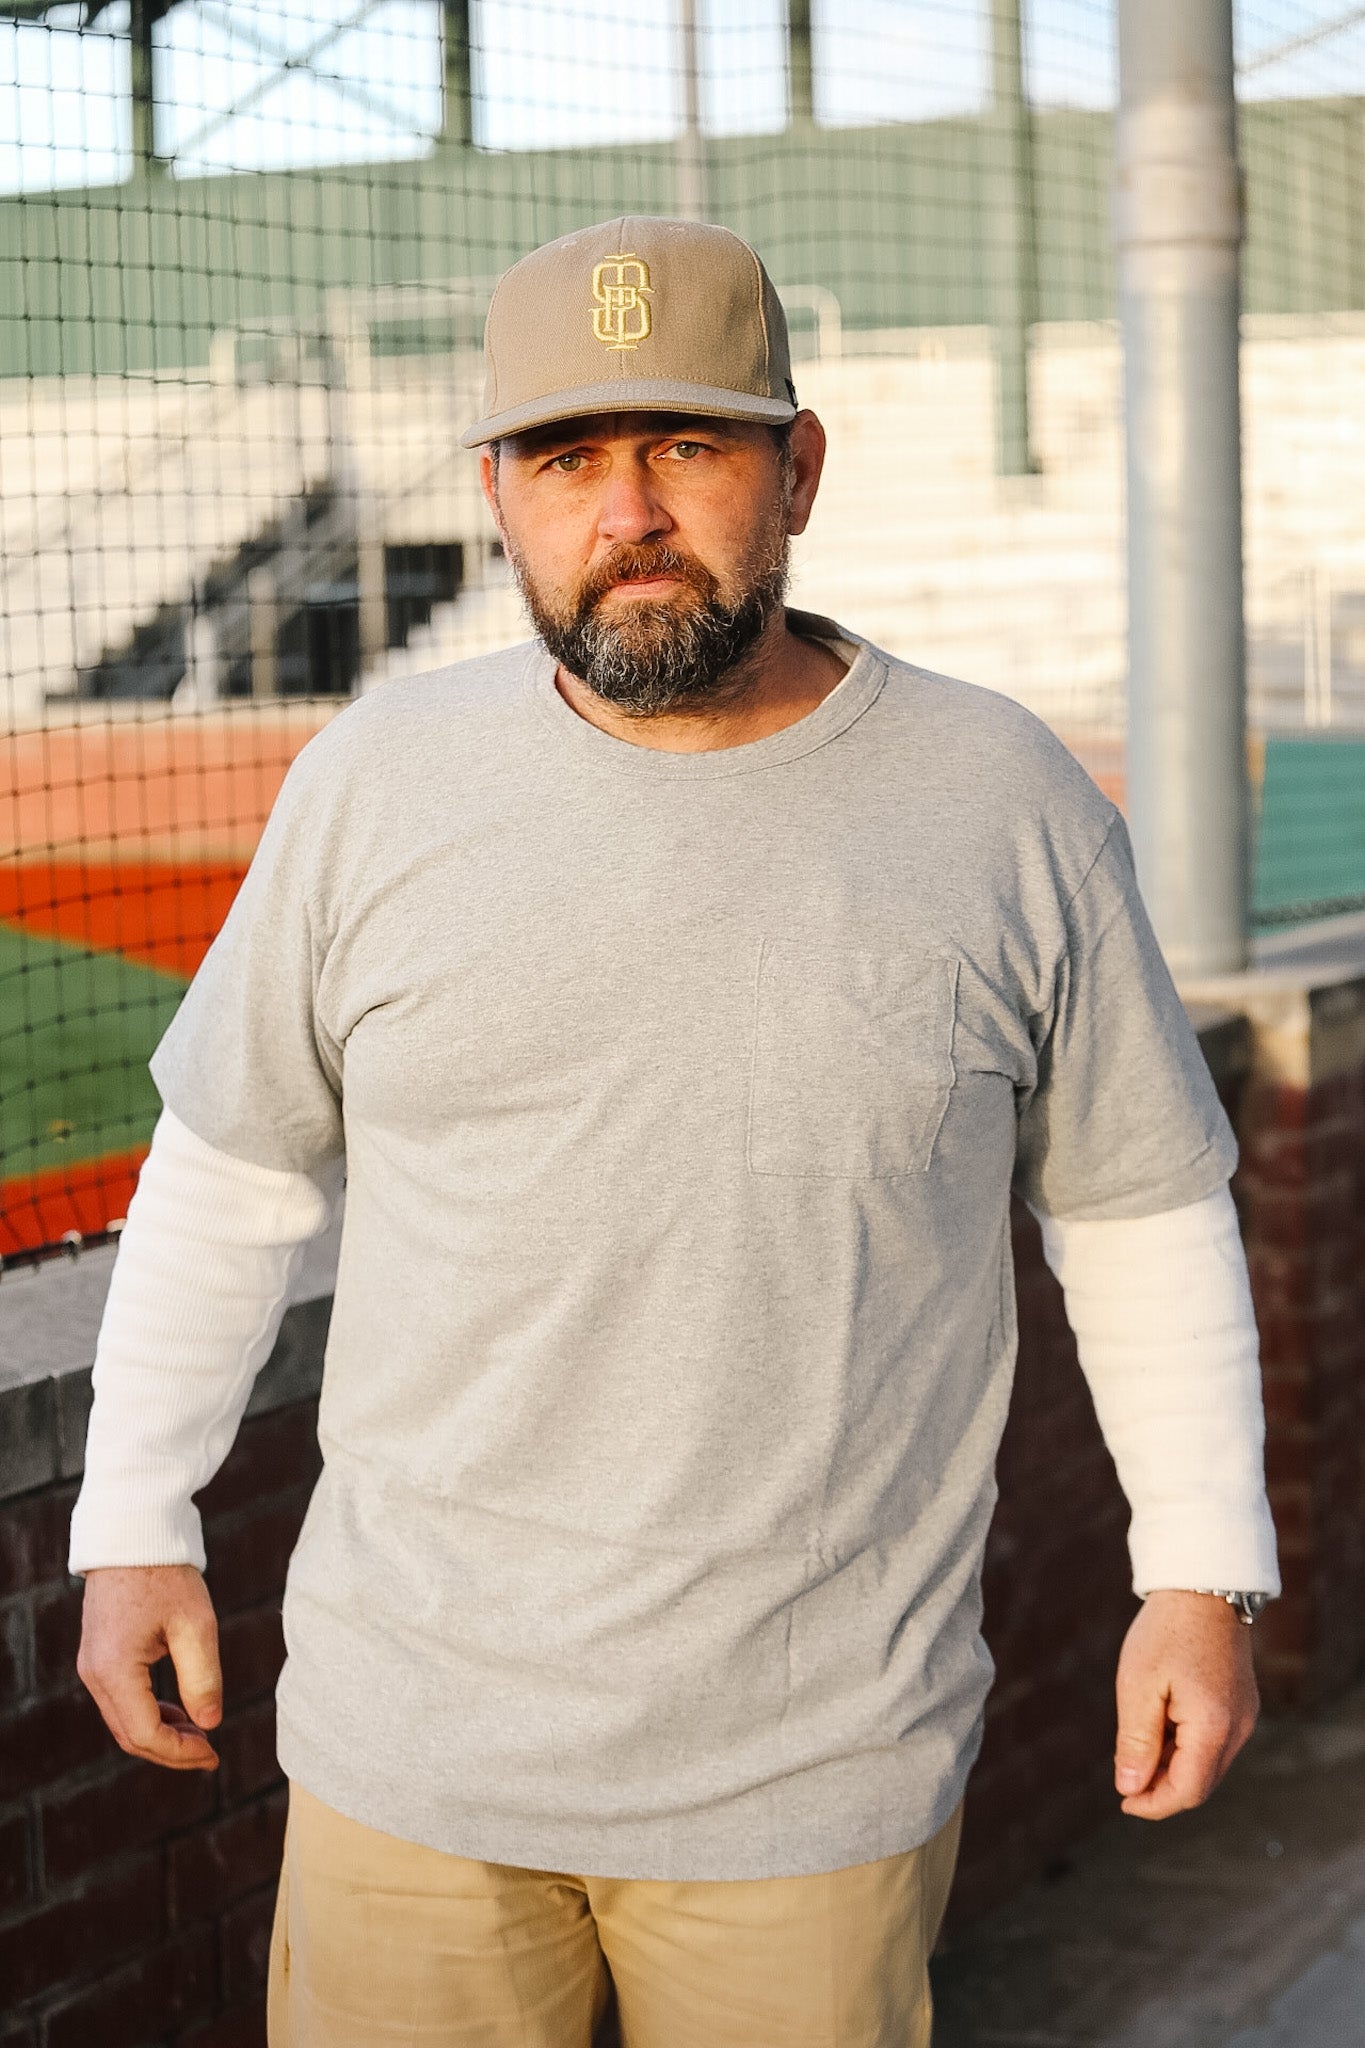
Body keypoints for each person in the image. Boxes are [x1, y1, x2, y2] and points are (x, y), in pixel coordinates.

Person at [71, 216, 1278, 2048]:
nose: (623, 509)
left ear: (795, 466)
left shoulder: (1005, 803)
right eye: (566, 457)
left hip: (813, 1783)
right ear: (497, 491)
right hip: (410, 1764)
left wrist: (1199, 1569)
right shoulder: (370, 791)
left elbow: (1137, 1217)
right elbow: (226, 1180)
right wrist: (131, 1516)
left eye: (684, 446)